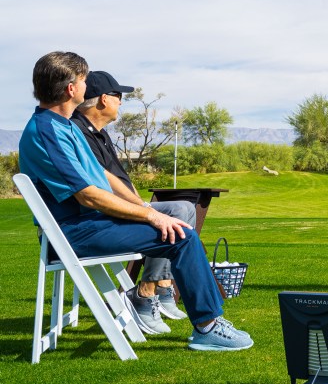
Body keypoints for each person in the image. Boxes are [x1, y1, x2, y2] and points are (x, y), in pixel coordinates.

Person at [19, 52, 253, 350]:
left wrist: (144, 208)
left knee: (178, 227)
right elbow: (88, 194)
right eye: (84, 80)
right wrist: (153, 217)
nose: (86, 85)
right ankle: (207, 326)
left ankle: (169, 305)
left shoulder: (62, 126)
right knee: (182, 235)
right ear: (71, 88)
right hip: (74, 233)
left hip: (89, 224)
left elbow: (102, 176)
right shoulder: (47, 131)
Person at [70, 70, 194, 334]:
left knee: (184, 208)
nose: (121, 102)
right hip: (102, 215)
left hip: (117, 209)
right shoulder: (77, 132)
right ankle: (145, 292)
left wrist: (141, 203)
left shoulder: (100, 134)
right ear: (103, 99)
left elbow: (120, 179)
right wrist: (144, 210)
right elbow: (99, 188)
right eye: (118, 96)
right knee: (177, 211)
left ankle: (162, 287)